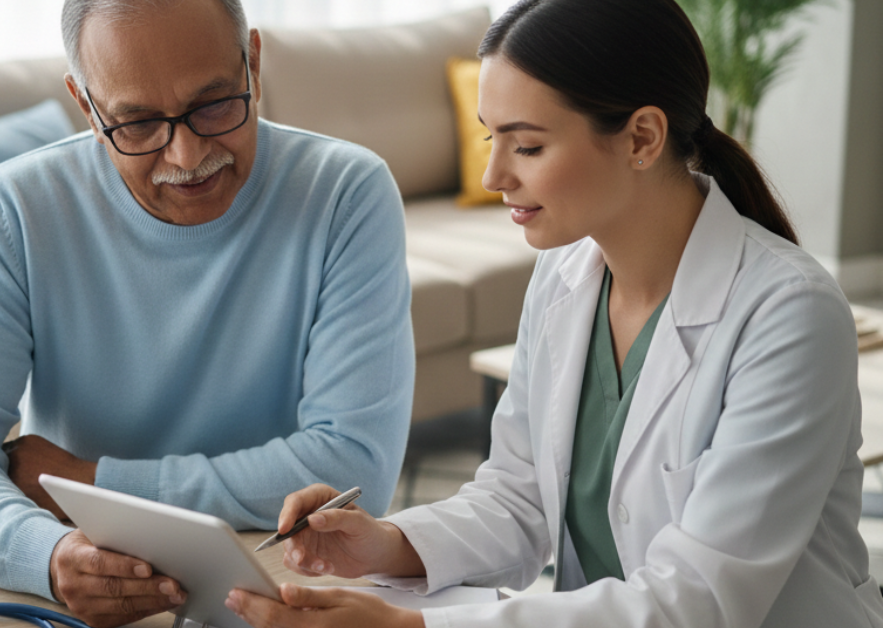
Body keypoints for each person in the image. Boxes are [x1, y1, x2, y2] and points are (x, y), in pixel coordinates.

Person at [224, 0, 883, 626]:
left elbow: (697, 603)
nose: (493, 176)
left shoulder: (789, 317)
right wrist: (387, 544)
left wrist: (412, 627)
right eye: (491, 139)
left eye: (527, 146)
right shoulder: (565, 275)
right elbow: (518, 495)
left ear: (642, 138)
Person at [0, 0, 415, 625]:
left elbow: (352, 469)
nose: (187, 157)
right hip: (92, 591)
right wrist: (49, 554)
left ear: (252, 60)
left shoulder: (346, 194)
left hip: (281, 591)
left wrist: (93, 483)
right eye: (137, 124)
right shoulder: (14, 211)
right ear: (86, 106)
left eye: (215, 104)